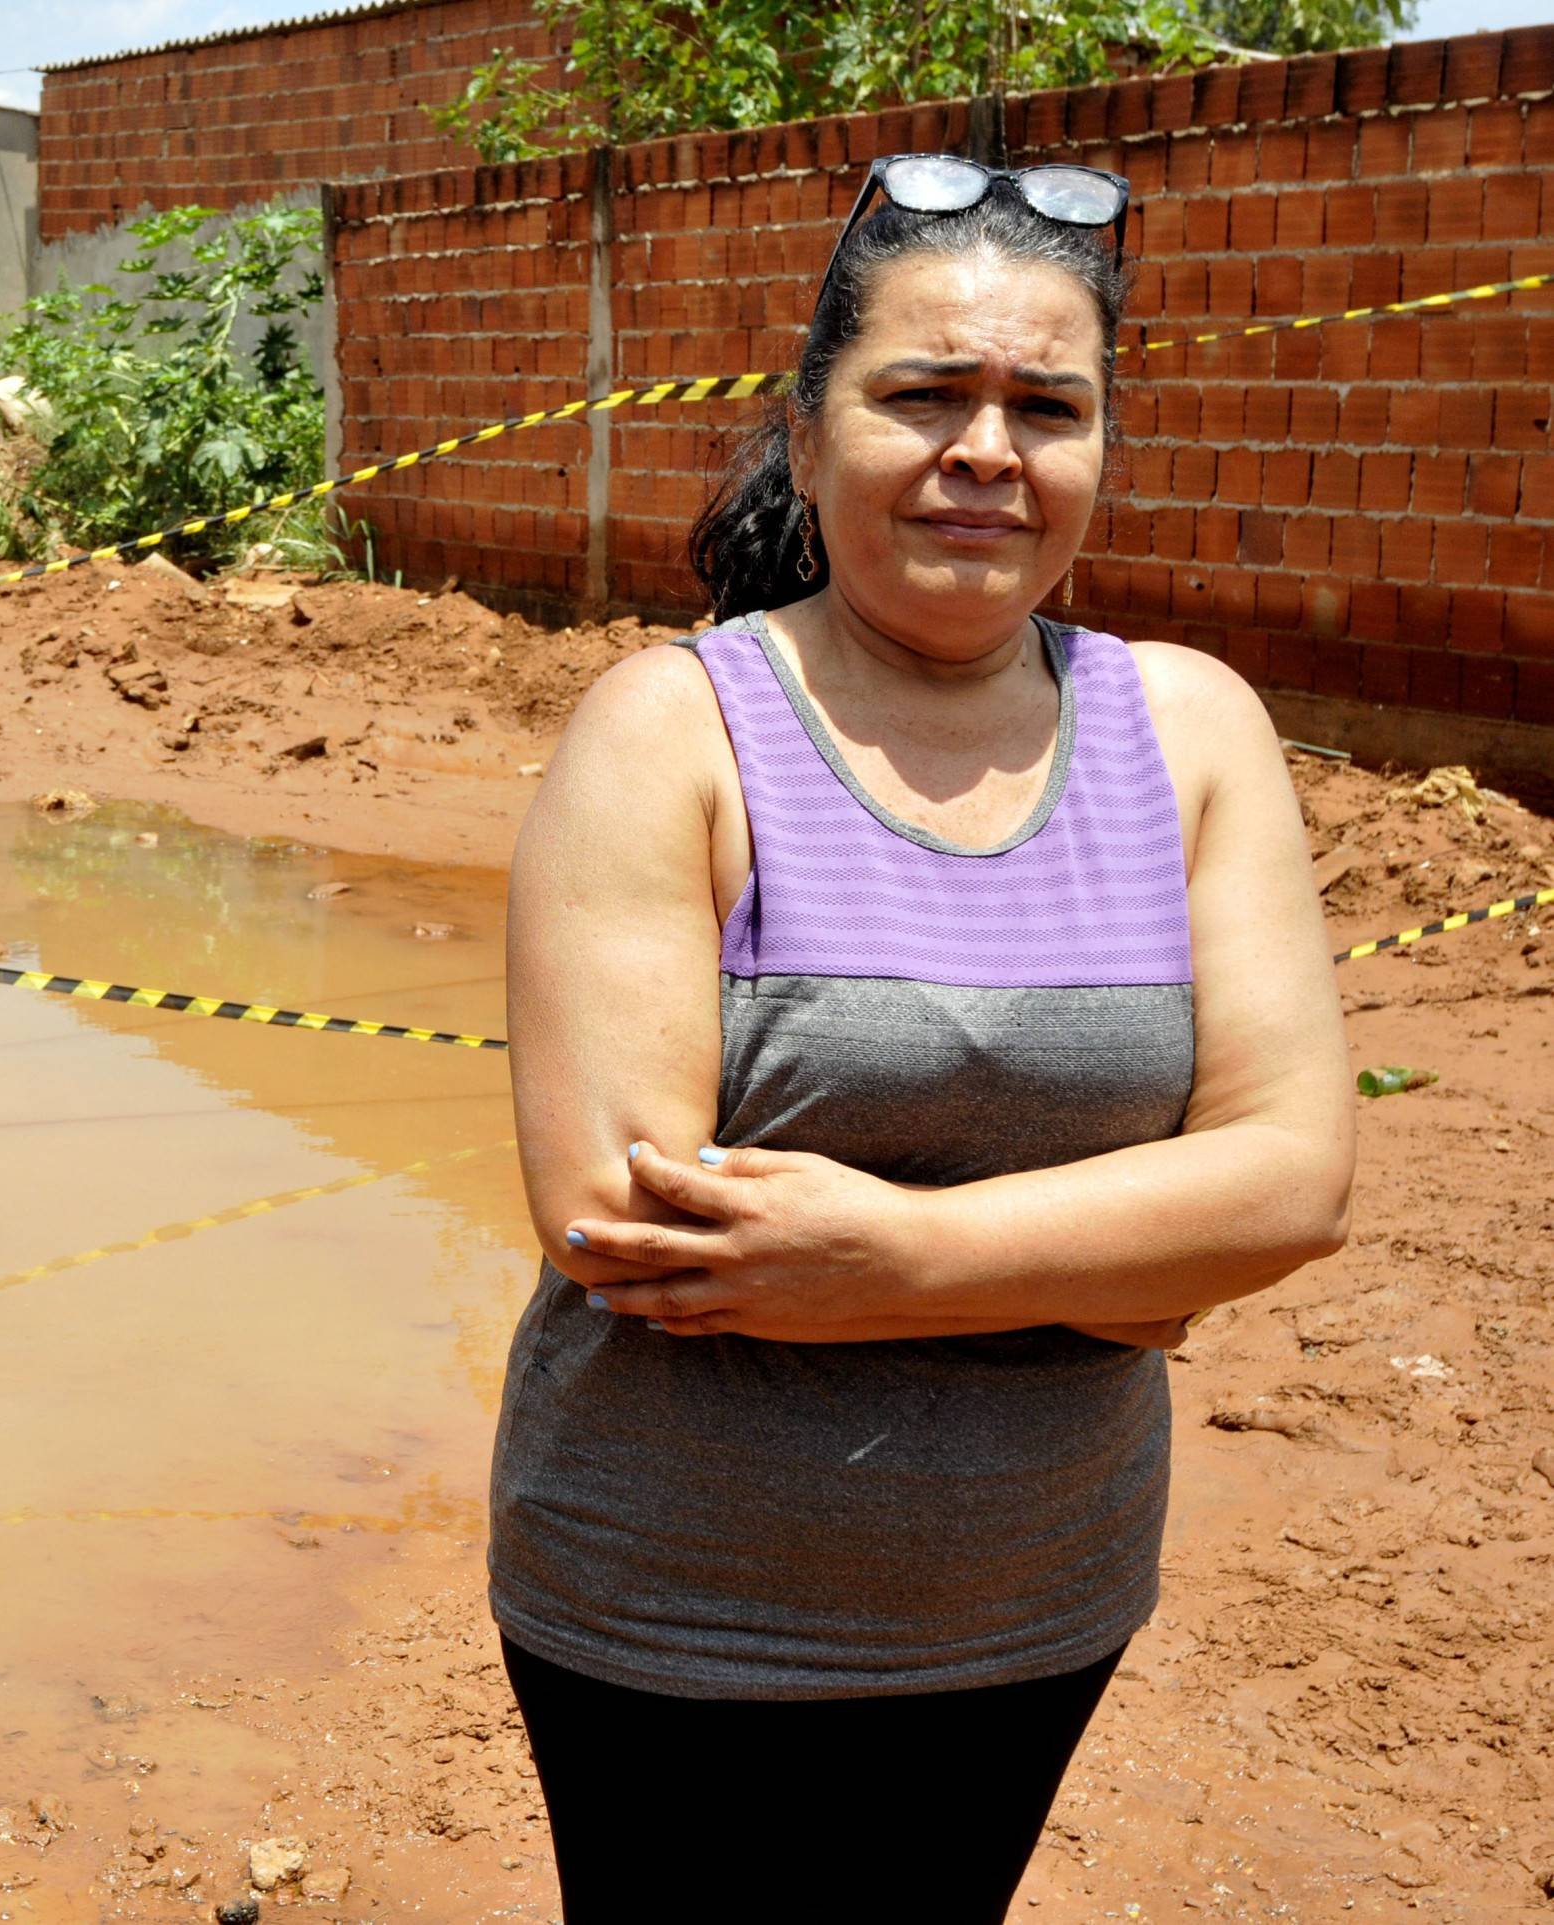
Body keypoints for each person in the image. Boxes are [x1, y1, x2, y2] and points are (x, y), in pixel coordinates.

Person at [492, 156, 1356, 1921]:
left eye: (1049, 404)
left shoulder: (1193, 730)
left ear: (1100, 451)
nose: (989, 448)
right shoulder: (674, 728)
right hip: (676, 1612)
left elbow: (1294, 1179)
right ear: (808, 443)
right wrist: (1118, 1262)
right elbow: (628, 1226)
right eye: (924, 395)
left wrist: (893, 1249)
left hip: (1039, 1594)